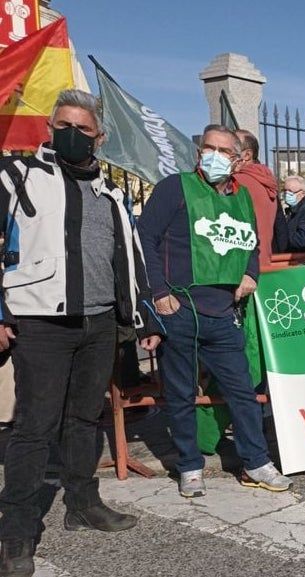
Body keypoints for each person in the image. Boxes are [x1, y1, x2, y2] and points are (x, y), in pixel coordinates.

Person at [0, 89, 162, 575]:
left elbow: (130, 260)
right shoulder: (18, 177)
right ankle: (16, 532)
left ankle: (81, 504)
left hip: (98, 322)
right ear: (51, 129)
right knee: (34, 426)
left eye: (83, 129)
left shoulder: (111, 191)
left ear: (100, 138)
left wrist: (143, 317)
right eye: (63, 125)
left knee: (83, 419)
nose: (72, 134)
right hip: (41, 322)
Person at [137, 124, 292, 498]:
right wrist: (158, 293)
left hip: (224, 311)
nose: (215, 156)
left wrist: (250, 274)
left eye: (224, 150)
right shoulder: (175, 187)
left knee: (241, 389)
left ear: (238, 158)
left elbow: (252, 245)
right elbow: (145, 238)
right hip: (181, 307)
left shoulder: (242, 199)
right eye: (208, 148)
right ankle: (190, 465)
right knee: (180, 392)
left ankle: (256, 461)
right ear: (198, 152)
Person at [234, 129, 279, 268]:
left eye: (231, 148)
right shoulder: (264, 181)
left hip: (240, 266)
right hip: (262, 261)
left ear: (247, 155)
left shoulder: (237, 181)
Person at [282, 175, 305, 252]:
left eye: (290, 191)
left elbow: (303, 240)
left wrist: (281, 238)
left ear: (302, 193)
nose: (286, 194)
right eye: (284, 190)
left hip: (300, 257)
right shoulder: (294, 208)